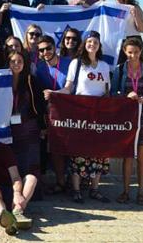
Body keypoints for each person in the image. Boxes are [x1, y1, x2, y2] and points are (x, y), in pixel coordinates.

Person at [44, 31, 111, 204]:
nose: (92, 45)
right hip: (80, 114)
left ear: (99, 45)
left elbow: (106, 91)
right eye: (89, 41)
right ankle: (76, 189)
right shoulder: (77, 63)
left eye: (95, 42)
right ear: (85, 44)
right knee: (78, 151)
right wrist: (54, 93)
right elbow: (68, 88)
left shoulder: (104, 65)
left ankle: (95, 189)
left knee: (98, 152)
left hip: (98, 114)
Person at [111, 37, 143, 206]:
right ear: (125, 52)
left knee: (141, 155)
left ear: (141, 52)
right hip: (126, 117)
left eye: (136, 52)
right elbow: (112, 94)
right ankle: (125, 191)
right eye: (130, 52)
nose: (133, 56)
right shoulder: (119, 70)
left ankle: (141, 192)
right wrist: (126, 96)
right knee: (127, 155)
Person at [35, 36, 71, 194]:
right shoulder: (39, 68)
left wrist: (54, 93)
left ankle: (75, 182)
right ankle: (61, 182)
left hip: (70, 111)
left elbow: (72, 87)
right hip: (50, 113)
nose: (45, 52)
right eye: (41, 50)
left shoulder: (69, 63)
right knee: (54, 148)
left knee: (71, 148)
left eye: (48, 48)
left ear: (54, 47)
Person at [7, 51, 44, 196]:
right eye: (13, 61)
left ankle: (32, 192)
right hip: (9, 128)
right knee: (13, 160)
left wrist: (42, 126)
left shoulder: (31, 80)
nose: (16, 64)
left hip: (28, 127)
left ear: (24, 63)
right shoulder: (2, 80)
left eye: (19, 61)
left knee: (30, 160)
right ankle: (14, 190)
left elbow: (39, 105)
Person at [113, 0, 143, 64]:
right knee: (119, 68)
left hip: (133, 40)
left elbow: (142, 29)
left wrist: (135, 15)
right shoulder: (110, 7)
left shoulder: (134, 7)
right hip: (118, 41)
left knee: (135, 67)